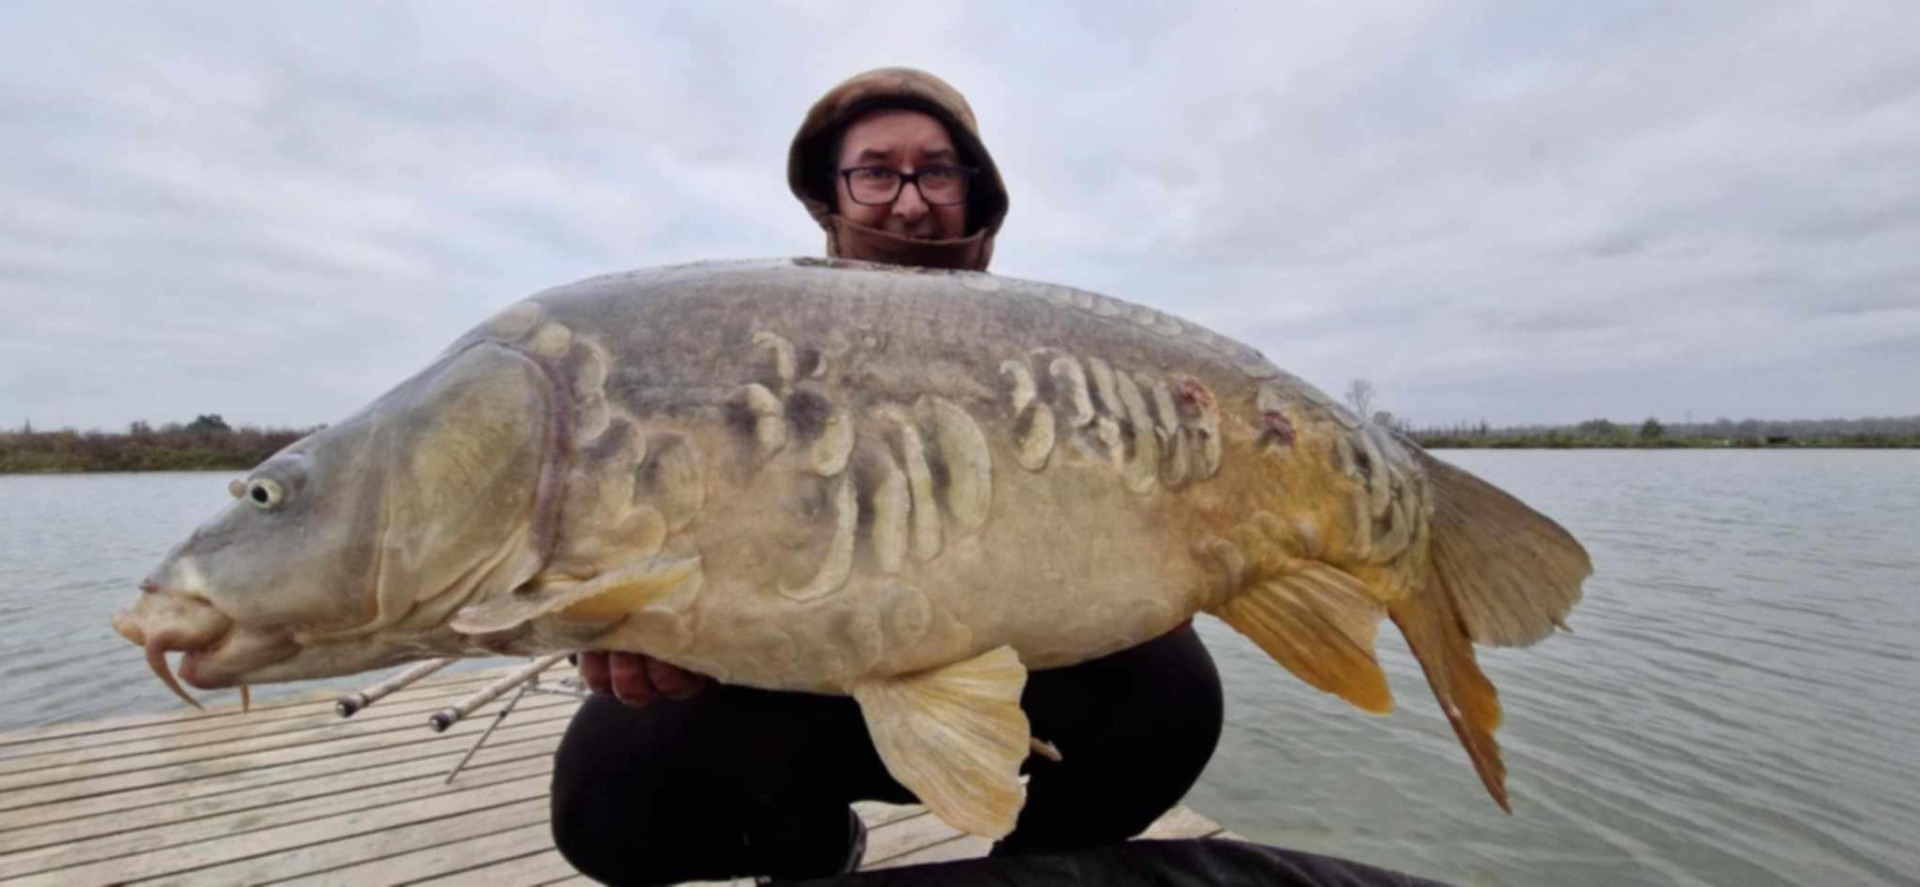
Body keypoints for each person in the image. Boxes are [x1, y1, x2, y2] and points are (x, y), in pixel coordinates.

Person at [548, 68, 1225, 886]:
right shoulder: (749, 346)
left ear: (977, 191)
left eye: (937, 170)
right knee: (602, 799)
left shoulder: (1063, 358)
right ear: (830, 197)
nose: (909, 201)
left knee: (1177, 690)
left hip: (1014, 675)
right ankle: (811, 855)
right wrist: (640, 617)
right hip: (791, 681)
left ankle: (1036, 868)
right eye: (876, 172)